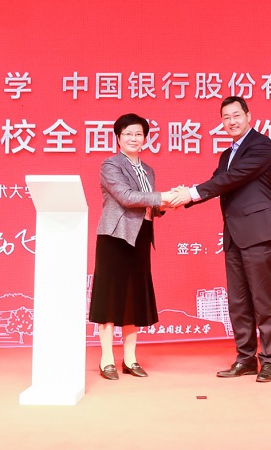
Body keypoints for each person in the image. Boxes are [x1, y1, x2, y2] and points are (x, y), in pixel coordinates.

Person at [171, 96, 271, 382]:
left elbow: (232, 178)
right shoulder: (226, 155)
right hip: (234, 236)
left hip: (259, 233)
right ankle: (245, 359)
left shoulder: (261, 145)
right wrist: (176, 200)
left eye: (236, 115)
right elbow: (216, 184)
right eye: (226, 117)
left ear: (248, 116)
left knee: (263, 301)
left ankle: (269, 360)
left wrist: (190, 193)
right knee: (238, 302)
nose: (231, 121)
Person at [89, 113, 176, 380]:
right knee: (109, 296)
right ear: (118, 137)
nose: (133, 138)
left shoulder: (148, 170)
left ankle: (130, 359)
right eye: (128, 133)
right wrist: (162, 197)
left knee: (133, 297)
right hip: (115, 236)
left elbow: (148, 204)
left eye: (138, 134)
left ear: (145, 139)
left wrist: (168, 203)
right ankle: (107, 360)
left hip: (140, 236)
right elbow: (127, 197)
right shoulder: (110, 165)